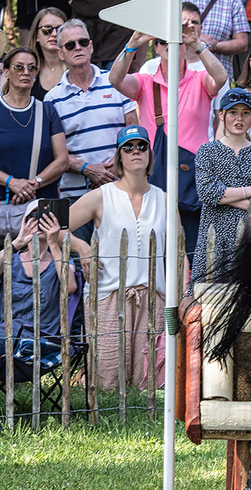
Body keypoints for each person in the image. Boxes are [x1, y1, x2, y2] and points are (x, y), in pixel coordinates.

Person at [110, 5, 229, 253]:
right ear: (156, 47)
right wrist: (133, 42)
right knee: (156, 245)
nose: (170, 45)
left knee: (194, 247)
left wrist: (196, 43)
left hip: (194, 174)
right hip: (156, 172)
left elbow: (220, 78)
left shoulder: (198, 78)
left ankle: (190, 292)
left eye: (176, 41)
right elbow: (115, 79)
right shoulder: (146, 81)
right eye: (164, 41)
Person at [67, 125, 172, 393]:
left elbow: (177, 254)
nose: (135, 151)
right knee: (106, 383)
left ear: (150, 153)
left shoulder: (165, 199)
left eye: (142, 146)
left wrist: (181, 296)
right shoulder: (102, 196)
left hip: (153, 296)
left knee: (149, 383)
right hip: (108, 295)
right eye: (128, 147)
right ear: (119, 157)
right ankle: (85, 378)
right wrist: (80, 246)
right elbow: (52, 226)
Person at [46, 18, 139, 240]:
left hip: (120, 185)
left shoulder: (116, 82)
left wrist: (119, 162)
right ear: (61, 53)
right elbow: (53, 152)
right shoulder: (52, 99)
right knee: (82, 263)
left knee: (122, 259)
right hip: (76, 195)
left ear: (91, 46)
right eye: (70, 45)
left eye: (82, 42)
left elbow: (134, 129)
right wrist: (87, 168)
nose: (77, 48)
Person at [0, 47, 69, 246]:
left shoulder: (47, 110)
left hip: (43, 209)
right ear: (6, 72)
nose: (26, 72)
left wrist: (34, 183)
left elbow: (62, 160)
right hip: (1, 209)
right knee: (1, 267)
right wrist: (11, 182)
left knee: (45, 270)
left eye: (31, 68)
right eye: (18, 67)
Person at [0, 203, 75, 377]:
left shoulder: (60, 260)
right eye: (33, 217)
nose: (39, 222)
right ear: (23, 222)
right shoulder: (11, 259)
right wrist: (18, 242)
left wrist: (54, 243)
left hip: (36, 342)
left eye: (45, 217)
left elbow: (70, 286)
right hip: (3, 337)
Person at [192, 89, 251, 286]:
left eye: (245, 113)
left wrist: (225, 195)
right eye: (233, 112)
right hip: (213, 237)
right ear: (221, 115)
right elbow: (207, 193)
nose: (239, 118)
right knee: (207, 299)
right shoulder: (207, 151)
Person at [27, 6, 69, 98]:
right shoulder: (27, 71)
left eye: (59, 29)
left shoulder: (76, 67)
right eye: (46, 29)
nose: (54, 34)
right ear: (37, 35)